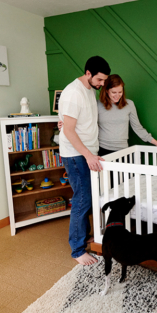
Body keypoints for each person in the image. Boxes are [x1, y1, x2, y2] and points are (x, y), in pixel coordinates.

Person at [59, 55, 110, 266]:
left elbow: (70, 121)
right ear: (87, 73)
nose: (102, 84)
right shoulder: (73, 93)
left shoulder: (90, 90)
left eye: (104, 80)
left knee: (88, 198)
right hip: (76, 154)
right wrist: (88, 155)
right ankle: (77, 250)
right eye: (99, 80)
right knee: (82, 200)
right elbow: (69, 130)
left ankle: (85, 236)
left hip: (87, 152)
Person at [97, 74, 157, 156]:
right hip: (102, 150)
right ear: (106, 90)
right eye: (114, 92)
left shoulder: (129, 105)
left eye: (120, 92)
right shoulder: (97, 105)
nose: (117, 95)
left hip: (123, 151)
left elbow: (137, 128)